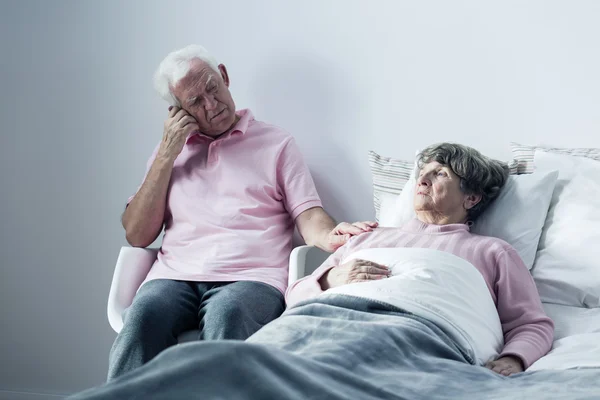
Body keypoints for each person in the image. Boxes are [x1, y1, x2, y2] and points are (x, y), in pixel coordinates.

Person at [72, 143, 562, 400]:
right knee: (208, 367)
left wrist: (514, 360)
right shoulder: (369, 237)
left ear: (471, 198)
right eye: (423, 170)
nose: (424, 179)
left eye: (441, 175)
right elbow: (298, 291)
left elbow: (532, 324)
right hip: (317, 324)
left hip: (417, 334)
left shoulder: (492, 252)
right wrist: (330, 280)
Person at [108, 44, 375, 380]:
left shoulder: (277, 143)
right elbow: (137, 234)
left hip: (252, 277)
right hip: (173, 277)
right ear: (178, 111)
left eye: (212, 88)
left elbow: (308, 215)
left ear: (224, 76)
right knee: (142, 317)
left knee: (229, 313)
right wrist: (167, 153)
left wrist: (332, 235)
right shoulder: (168, 153)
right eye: (195, 102)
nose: (211, 104)